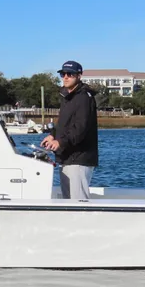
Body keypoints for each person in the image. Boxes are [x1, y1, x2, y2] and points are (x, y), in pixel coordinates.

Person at [40, 60, 98, 199]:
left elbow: (80, 128)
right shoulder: (67, 97)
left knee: (78, 202)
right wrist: (53, 136)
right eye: (63, 74)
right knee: (68, 201)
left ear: (79, 76)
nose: (65, 77)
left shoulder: (84, 98)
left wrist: (61, 142)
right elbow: (64, 125)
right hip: (66, 157)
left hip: (79, 158)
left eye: (70, 74)